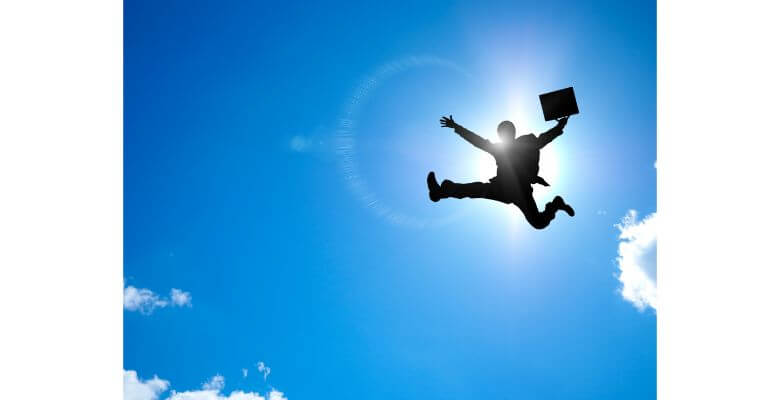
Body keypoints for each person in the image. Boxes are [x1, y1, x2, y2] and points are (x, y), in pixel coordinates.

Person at [427, 115, 575, 230]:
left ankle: (556, 204)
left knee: (538, 223)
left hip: (521, 192)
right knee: (474, 190)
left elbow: (544, 139)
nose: (504, 136)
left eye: (507, 132)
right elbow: (477, 141)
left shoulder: (526, 143)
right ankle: (441, 191)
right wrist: (457, 127)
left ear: (513, 132)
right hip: (502, 188)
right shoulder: (499, 149)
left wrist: (560, 126)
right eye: (502, 134)